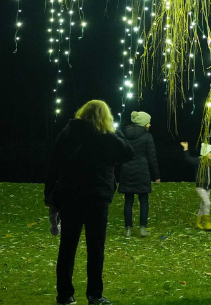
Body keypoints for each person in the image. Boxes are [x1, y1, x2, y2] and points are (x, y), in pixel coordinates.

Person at [45, 100, 134, 305]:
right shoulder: (105, 137)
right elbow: (127, 153)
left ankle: (65, 295)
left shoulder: (68, 133)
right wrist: (115, 131)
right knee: (96, 247)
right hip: (97, 196)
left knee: (67, 246)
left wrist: (50, 195)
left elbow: (53, 165)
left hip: (70, 196)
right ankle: (94, 294)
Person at [116, 111, 160, 238]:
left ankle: (128, 229)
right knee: (144, 200)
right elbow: (152, 157)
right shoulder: (147, 136)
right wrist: (157, 175)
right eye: (148, 122)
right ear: (144, 123)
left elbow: (120, 153)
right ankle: (142, 228)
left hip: (126, 169)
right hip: (142, 170)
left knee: (128, 201)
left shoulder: (124, 134)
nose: (150, 124)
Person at [194, 142, 211, 230]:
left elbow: (210, 176)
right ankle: (207, 223)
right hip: (201, 187)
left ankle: (198, 223)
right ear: (205, 153)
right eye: (209, 152)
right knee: (208, 203)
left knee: (203, 205)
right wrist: (186, 149)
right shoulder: (199, 162)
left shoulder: (210, 164)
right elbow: (188, 159)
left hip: (208, 187)